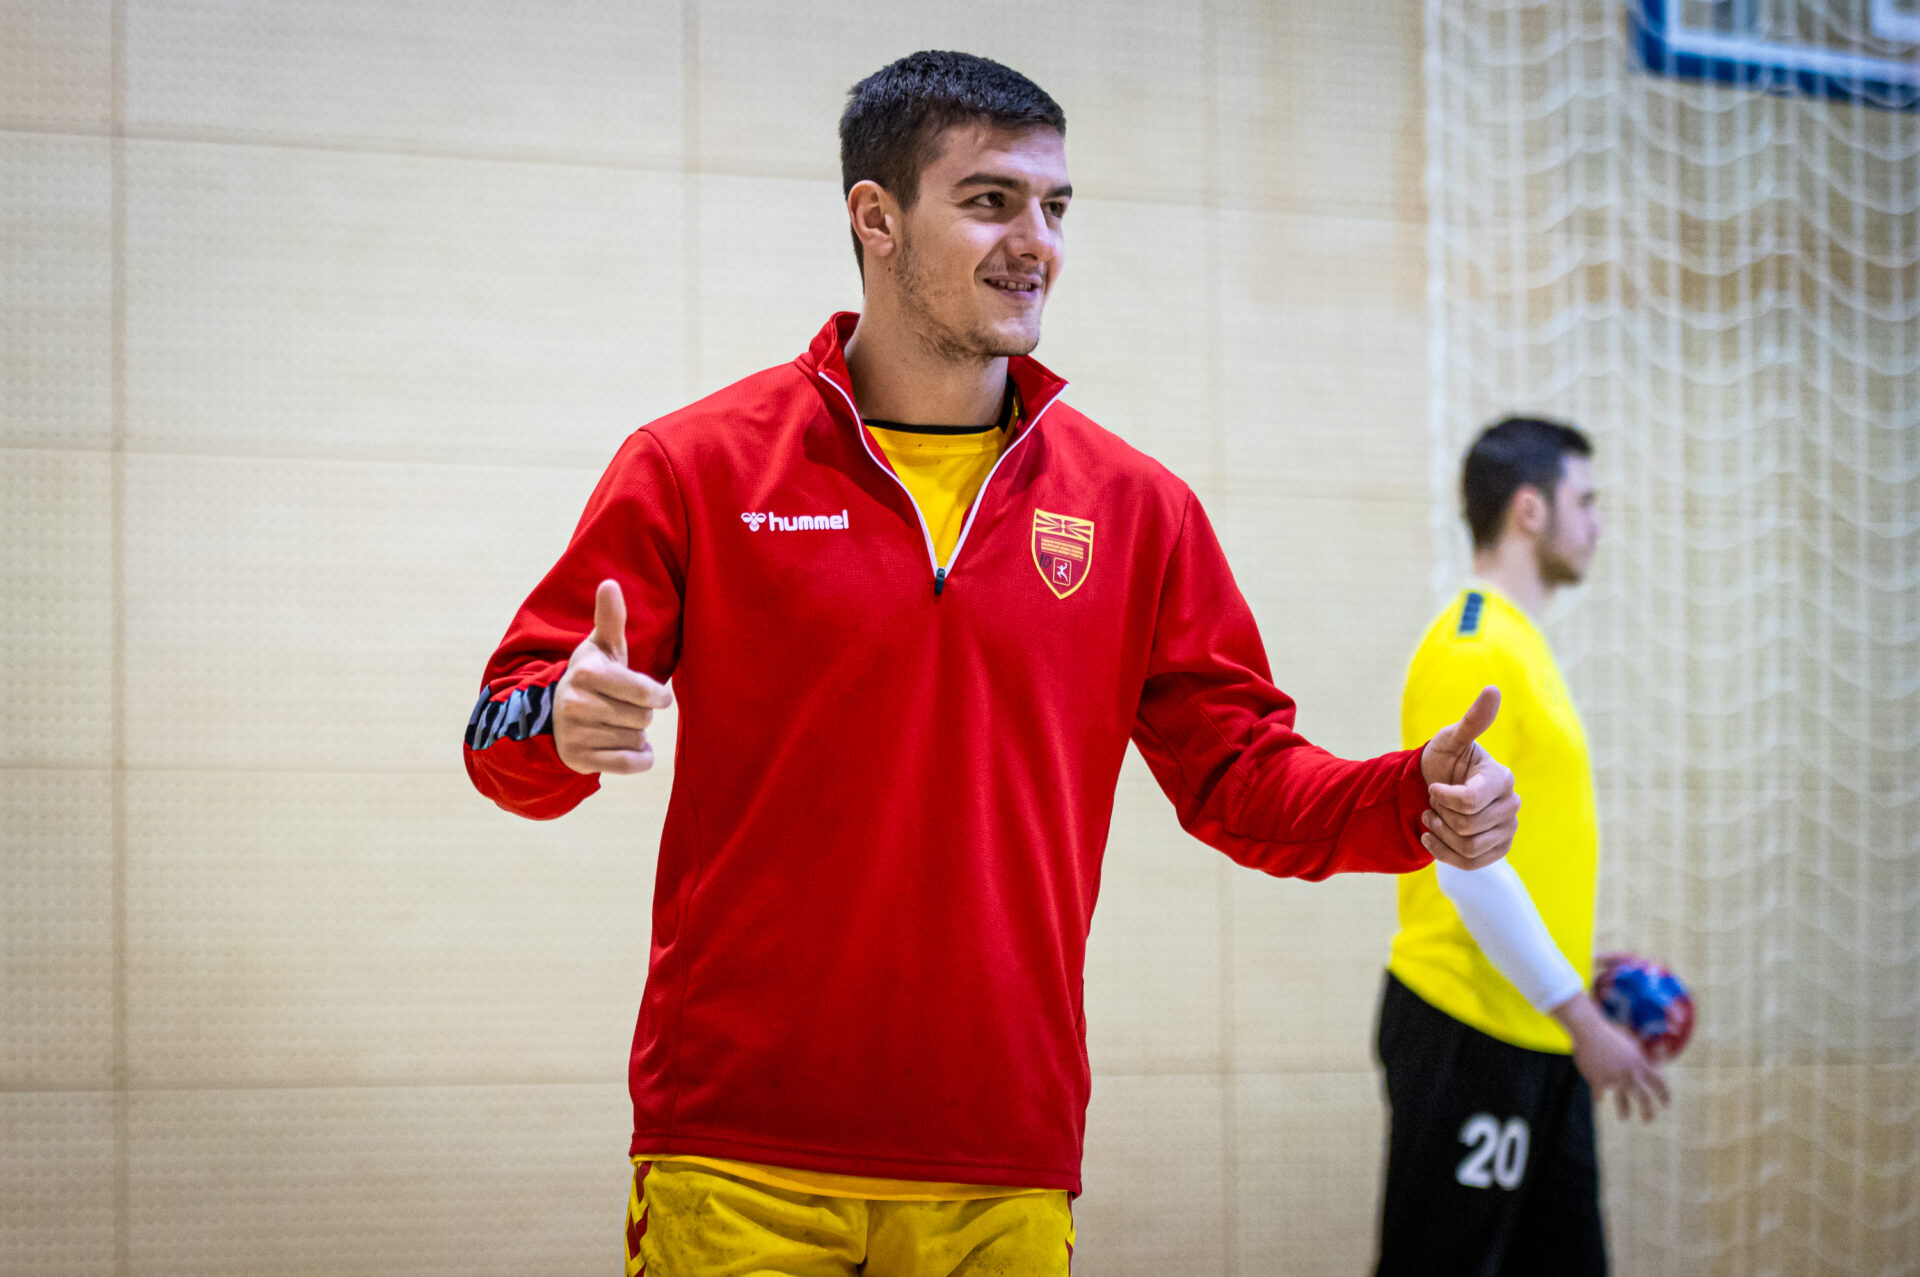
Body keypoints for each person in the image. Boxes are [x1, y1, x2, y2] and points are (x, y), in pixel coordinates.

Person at [466, 51, 1521, 1277]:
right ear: (876, 218)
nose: (1038, 243)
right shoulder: (696, 465)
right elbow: (502, 729)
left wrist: (1409, 800)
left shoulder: (1138, 508)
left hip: (1002, 1159)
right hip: (737, 1153)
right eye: (990, 201)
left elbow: (1240, 775)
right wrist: (559, 717)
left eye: (1055, 206)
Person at [1373, 417, 1670, 1276]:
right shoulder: (1476, 645)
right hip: (1471, 1027)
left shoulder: (1522, 645)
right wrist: (1582, 1016)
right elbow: (1463, 863)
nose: (1599, 524)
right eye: (1587, 501)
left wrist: (1568, 964)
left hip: (1540, 1026)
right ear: (1530, 510)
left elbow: (1522, 849)